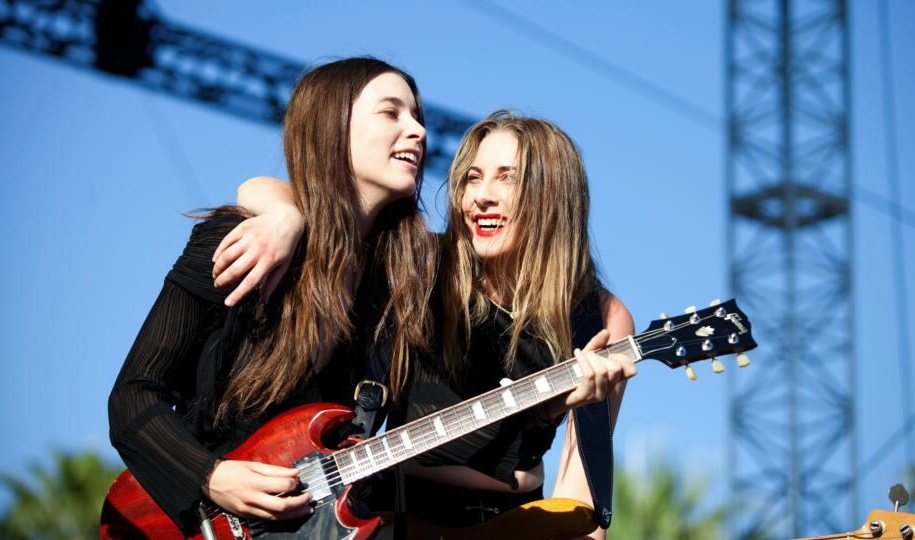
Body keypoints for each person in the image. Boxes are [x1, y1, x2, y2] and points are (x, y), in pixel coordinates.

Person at [216, 111, 636, 539]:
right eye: (473, 178)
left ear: (554, 195)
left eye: (507, 178)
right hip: (392, 513)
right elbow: (258, 188)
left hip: (514, 520)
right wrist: (285, 218)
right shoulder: (422, 266)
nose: (481, 197)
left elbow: (580, 492)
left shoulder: (599, 317)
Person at [107, 57, 438, 530]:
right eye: (391, 114)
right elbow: (132, 397)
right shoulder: (241, 241)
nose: (418, 131)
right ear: (331, 129)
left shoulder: (401, 294)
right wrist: (209, 476)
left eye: (417, 117)